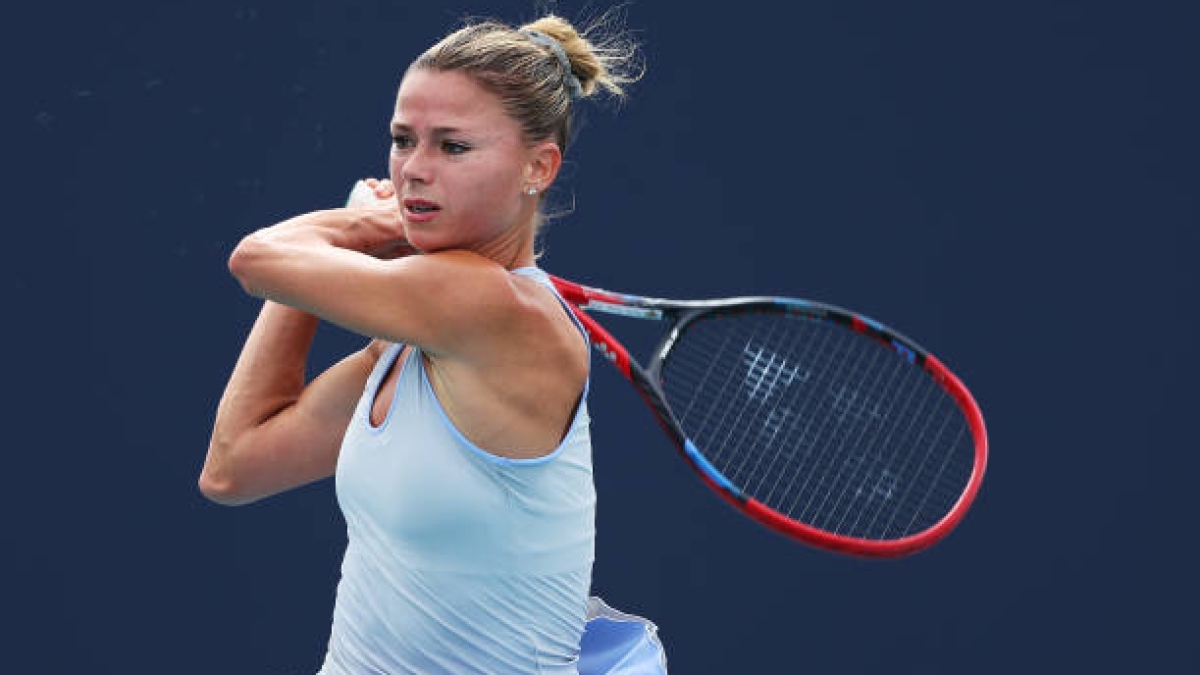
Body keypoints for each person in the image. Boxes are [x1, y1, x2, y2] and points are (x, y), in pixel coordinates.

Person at [199, 12, 667, 675]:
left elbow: (256, 258)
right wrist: (328, 265)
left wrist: (362, 225)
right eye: (402, 139)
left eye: (452, 147)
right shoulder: (411, 340)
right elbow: (233, 467)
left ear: (539, 165)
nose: (414, 169)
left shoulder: (491, 305)